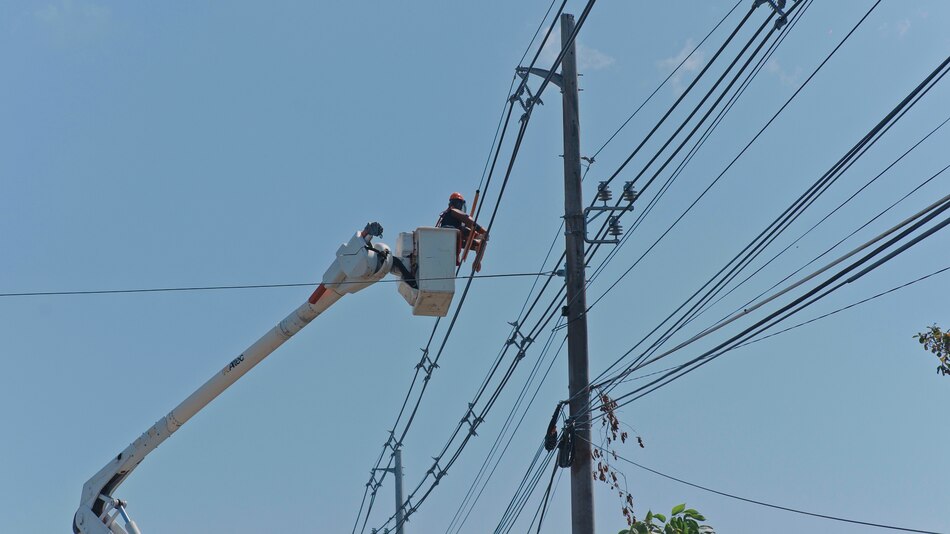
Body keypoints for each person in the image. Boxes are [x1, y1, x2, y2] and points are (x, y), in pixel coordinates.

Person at [436, 192, 488, 271]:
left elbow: (466, 225)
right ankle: (478, 239)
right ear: (458, 204)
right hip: (449, 236)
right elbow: (467, 220)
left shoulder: (454, 218)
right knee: (464, 230)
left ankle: (477, 260)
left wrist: (478, 235)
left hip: (453, 241)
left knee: (480, 243)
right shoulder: (453, 211)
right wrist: (483, 231)